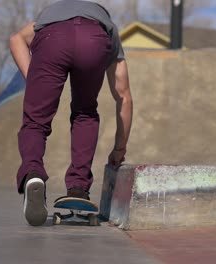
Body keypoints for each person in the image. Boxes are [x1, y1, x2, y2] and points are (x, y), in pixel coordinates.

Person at [9, 0, 133, 226]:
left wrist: (36, 82)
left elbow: (16, 39)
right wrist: (119, 148)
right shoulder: (109, 27)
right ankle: (78, 189)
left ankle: (33, 173)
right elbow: (123, 96)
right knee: (85, 112)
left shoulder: (49, 16)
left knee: (36, 121)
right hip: (94, 41)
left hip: (51, 39)